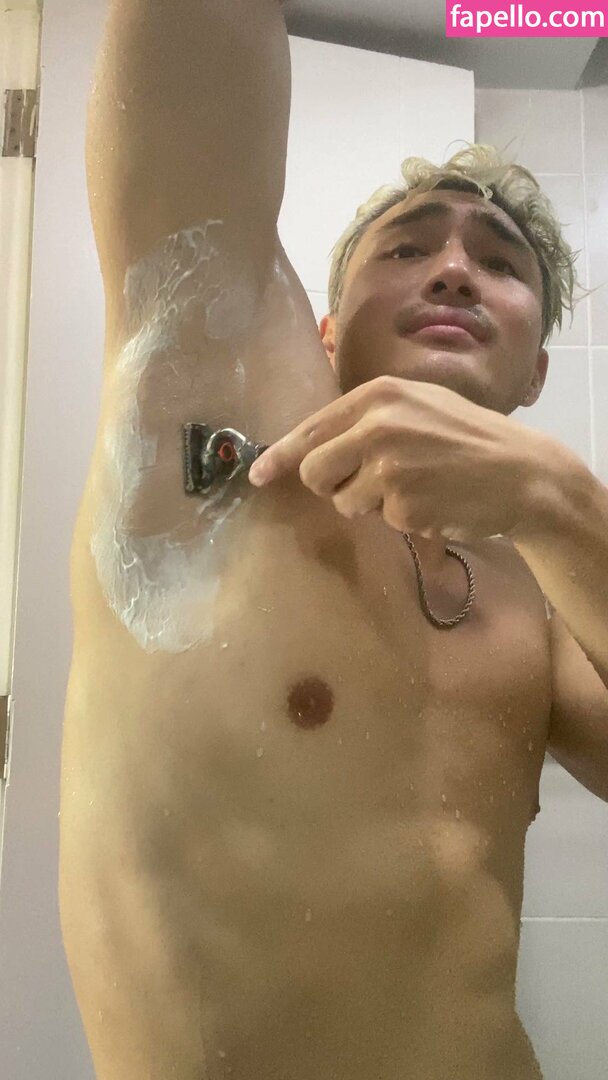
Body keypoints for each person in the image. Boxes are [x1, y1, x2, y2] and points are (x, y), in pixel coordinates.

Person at [60, 2, 608, 1078]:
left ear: (536, 373)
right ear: (323, 331)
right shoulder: (220, 460)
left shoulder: (537, 597)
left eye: (500, 264)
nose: (453, 269)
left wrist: (560, 503)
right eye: (406, 247)